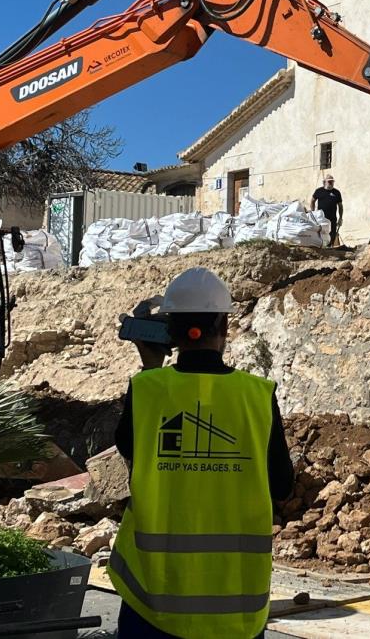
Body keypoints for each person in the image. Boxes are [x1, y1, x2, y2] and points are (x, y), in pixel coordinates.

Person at [111, 268, 294, 639]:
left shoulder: (146, 390)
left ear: (171, 333)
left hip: (152, 602)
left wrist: (150, 367)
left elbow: (132, 450)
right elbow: (282, 486)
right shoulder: (257, 395)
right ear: (224, 326)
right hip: (235, 608)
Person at [309, 174, 343, 246]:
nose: (331, 183)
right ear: (324, 182)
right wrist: (313, 213)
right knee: (321, 234)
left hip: (332, 219)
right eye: (329, 182)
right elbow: (312, 201)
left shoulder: (336, 192)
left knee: (332, 234)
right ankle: (322, 248)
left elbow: (340, 206)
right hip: (321, 219)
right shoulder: (319, 191)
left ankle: (330, 248)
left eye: (332, 182)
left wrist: (340, 218)